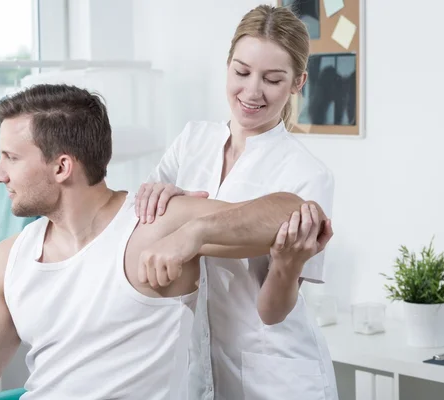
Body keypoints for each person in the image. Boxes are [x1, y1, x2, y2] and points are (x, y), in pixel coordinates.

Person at [0, 84, 332, 400]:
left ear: (62, 167)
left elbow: (294, 212)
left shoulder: (151, 226)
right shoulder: (9, 259)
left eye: (11, 158)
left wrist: (193, 234)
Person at [135, 4, 338, 400]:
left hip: (277, 376)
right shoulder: (192, 141)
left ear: (298, 83)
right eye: (241, 72)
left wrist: (287, 264)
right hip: (200, 367)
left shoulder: (307, 173)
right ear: (227, 65)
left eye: (273, 79)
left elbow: (273, 312)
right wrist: (153, 194)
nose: (251, 92)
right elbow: (146, 226)